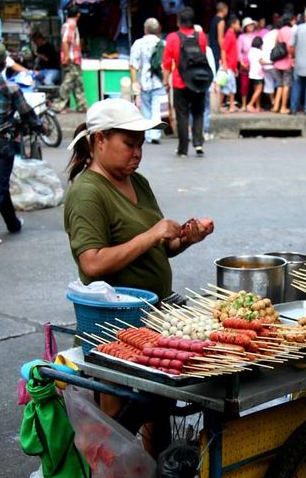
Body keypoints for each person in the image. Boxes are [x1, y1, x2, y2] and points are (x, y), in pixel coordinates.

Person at [64, 97, 214, 433]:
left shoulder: (138, 182)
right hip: (114, 327)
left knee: (156, 410)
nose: (137, 153)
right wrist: (153, 234)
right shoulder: (88, 192)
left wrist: (188, 237)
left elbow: (162, 247)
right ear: (99, 139)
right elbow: (92, 263)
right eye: (129, 144)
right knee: (118, 429)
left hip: (154, 317)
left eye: (141, 145)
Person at [0, 42, 42, 246]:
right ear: (5, 62)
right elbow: (28, 115)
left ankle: (13, 223)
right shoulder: (10, 88)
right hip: (2, 144)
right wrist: (39, 127)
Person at [162, 7, 209, 157]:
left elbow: (167, 62)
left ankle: (183, 149)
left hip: (180, 81)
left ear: (178, 22)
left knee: (182, 115)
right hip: (199, 80)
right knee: (198, 113)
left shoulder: (172, 38)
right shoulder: (201, 36)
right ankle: (198, 144)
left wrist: (165, 81)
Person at [129, 17, 165, 145]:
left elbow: (133, 65)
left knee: (145, 108)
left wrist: (134, 82)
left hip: (143, 81)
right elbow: (166, 65)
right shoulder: (162, 44)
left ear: (145, 29)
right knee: (156, 108)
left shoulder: (138, 43)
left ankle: (148, 133)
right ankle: (155, 134)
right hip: (158, 81)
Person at [52, 5, 86, 113]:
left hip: (73, 58)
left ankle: (82, 105)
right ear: (78, 15)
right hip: (71, 58)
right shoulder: (71, 25)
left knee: (77, 82)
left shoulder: (67, 24)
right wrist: (67, 56)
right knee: (69, 81)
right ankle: (58, 105)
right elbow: (65, 41)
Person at [271, 14, 294, 114]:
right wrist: (293, 57)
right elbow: (291, 47)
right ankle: (283, 107)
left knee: (279, 85)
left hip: (277, 63)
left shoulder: (279, 31)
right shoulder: (291, 32)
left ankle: (276, 106)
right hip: (287, 62)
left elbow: (276, 44)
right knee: (286, 85)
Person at [220, 14, 241, 113]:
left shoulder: (232, 34)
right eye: (238, 24)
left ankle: (231, 105)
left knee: (231, 87)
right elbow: (223, 50)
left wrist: (235, 67)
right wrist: (224, 64)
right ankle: (220, 106)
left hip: (231, 66)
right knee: (226, 87)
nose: (239, 26)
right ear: (233, 24)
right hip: (227, 65)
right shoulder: (229, 34)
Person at [237, 17, 256, 111]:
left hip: (255, 62)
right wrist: (241, 62)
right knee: (244, 84)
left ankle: (255, 104)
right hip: (245, 62)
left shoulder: (256, 36)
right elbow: (239, 51)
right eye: (249, 25)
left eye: (252, 25)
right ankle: (244, 104)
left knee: (256, 84)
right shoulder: (241, 37)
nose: (251, 26)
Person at [246, 36, 265, 112]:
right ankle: (250, 104)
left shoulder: (250, 51)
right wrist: (271, 62)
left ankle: (257, 106)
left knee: (255, 90)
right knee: (259, 90)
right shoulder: (259, 52)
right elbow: (261, 62)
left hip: (252, 73)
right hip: (258, 73)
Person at [208, 1, 228, 70]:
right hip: (217, 50)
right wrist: (223, 52)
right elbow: (220, 38)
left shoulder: (213, 19)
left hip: (211, 48)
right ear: (224, 9)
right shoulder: (221, 21)